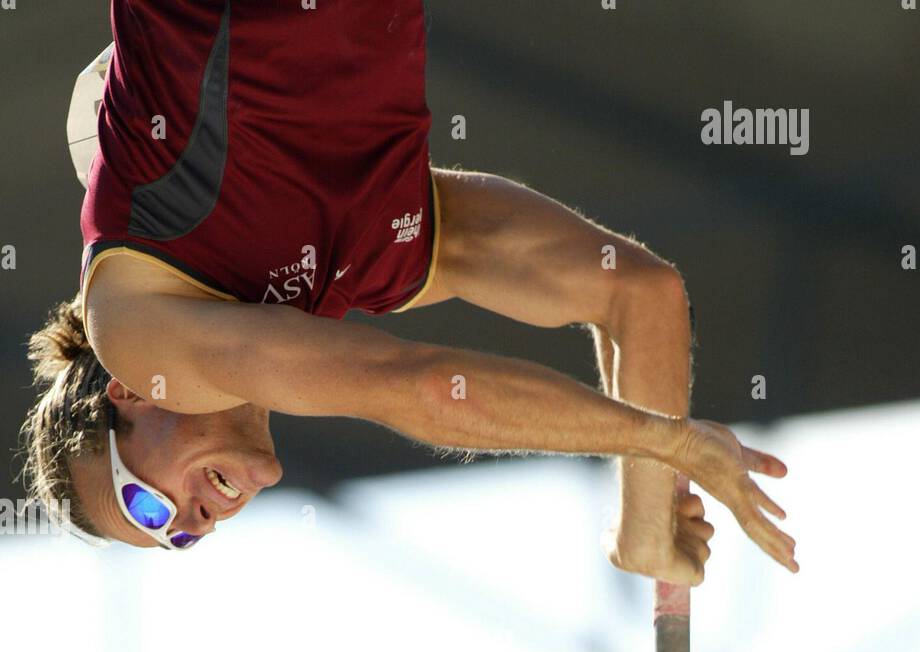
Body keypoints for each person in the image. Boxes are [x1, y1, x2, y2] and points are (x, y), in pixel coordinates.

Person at [20, 0, 796, 582]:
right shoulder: (374, 260)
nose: (194, 523)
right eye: (179, 539)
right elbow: (638, 292)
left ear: (126, 394)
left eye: (146, 505)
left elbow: (418, 386)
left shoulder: (135, 328)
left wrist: (668, 443)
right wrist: (645, 520)